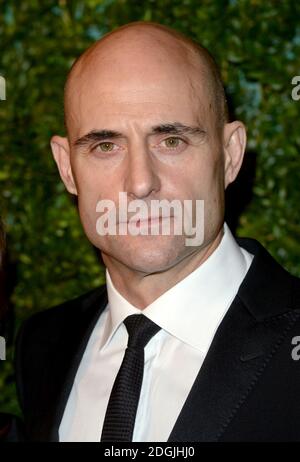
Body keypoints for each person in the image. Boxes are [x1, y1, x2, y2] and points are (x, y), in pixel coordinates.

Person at [15, 21, 300, 442]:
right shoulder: (41, 345)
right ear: (66, 169)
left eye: (171, 141)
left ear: (231, 155)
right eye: (105, 146)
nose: (140, 182)